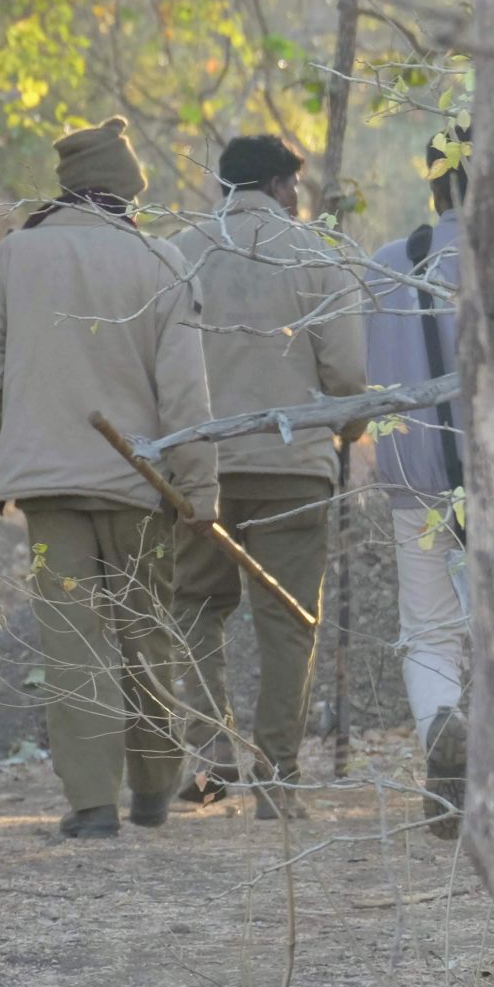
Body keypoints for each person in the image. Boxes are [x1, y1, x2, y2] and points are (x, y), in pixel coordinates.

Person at [0, 117, 218, 839]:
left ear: (70, 185)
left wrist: (19, 436)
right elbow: (187, 397)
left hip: (51, 497)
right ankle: (154, 792)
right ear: (127, 191)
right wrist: (199, 491)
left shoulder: (16, 256)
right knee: (146, 630)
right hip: (143, 489)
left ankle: (94, 805)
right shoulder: (162, 262)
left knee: (73, 638)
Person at [168, 135, 366, 819]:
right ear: (283, 186)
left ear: (226, 185)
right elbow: (345, 376)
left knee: (194, 608)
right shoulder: (319, 254)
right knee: (288, 625)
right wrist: (348, 430)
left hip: (201, 468)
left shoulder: (179, 252)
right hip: (292, 468)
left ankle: (212, 752)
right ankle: (278, 776)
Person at [364, 125, 470, 838]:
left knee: (429, 633)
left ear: (432, 182)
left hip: (412, 478)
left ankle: (442, 728)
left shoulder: (386, 264)